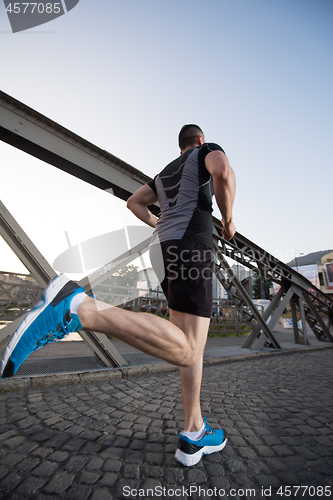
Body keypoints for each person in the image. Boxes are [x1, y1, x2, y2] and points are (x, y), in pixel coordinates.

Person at [0, 124, 236, 467]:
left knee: (186, 343)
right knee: (188, 349)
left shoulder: (163, 174)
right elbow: (223, 172)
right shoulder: (206, 151)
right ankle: (79, 308)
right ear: (198, 140)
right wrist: (228, 220)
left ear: (179, 144)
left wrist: (158, 222)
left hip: (165, 248)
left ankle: (194, 429)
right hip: (192, 245)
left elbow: (133, 202)